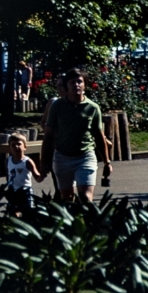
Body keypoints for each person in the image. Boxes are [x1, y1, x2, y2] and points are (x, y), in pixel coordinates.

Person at [41, 68, 111, 202]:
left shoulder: (93, 107)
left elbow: (99, 135)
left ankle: (88, 222)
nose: (76, 85)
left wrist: (107, 162)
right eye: (72, 82)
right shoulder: (57, 106)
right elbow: (48, 135)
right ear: (67, 86)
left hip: (85, 156)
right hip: (62, 157)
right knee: (67, 198)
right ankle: (73, 222)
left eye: (80, 81)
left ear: (85, 85)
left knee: (85, 197)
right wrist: (44, 161)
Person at [6, 132, 46, 214]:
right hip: (13, 191)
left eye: (19, 144)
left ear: (25, 147)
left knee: (28, 213)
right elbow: (8, 175)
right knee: (12, 213)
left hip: (25, 192)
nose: (16, 147)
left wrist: (43, 174)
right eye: (13, 145)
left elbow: (37, 178)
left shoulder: (27, 162)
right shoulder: (8, 160)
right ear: (9, 148)